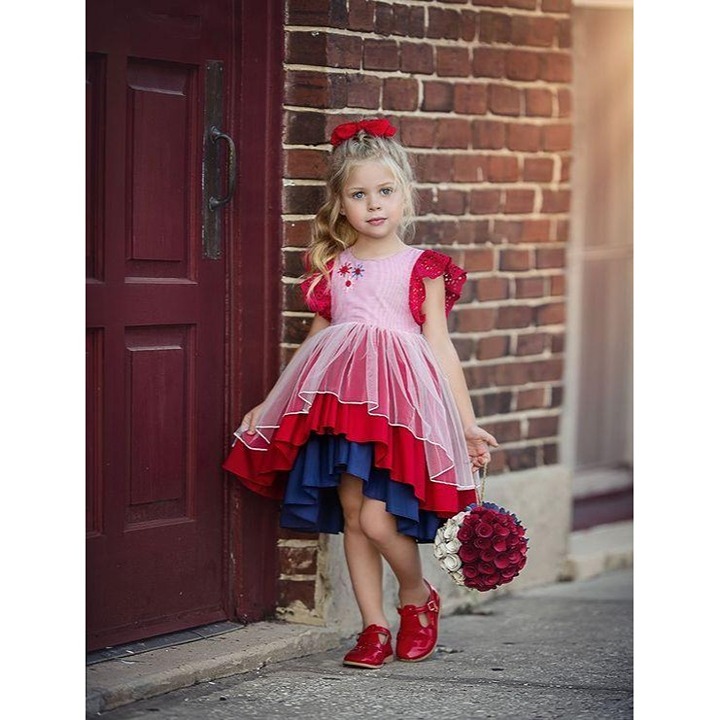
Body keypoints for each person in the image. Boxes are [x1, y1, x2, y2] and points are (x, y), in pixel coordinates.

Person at [223, 117, 498, 669]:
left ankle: (416, 597)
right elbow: (315, 341)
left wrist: (464, 424)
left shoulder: (423, 268)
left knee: (377, 519)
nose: (374, 205)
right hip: (342, 410)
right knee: (353, 515)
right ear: (340, 203)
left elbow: (440, 347)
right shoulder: (336, 267)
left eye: (385, 191)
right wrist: (272, 401)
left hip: (401, 411)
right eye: (359, 194)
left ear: (404, 195)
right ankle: (373, 627)